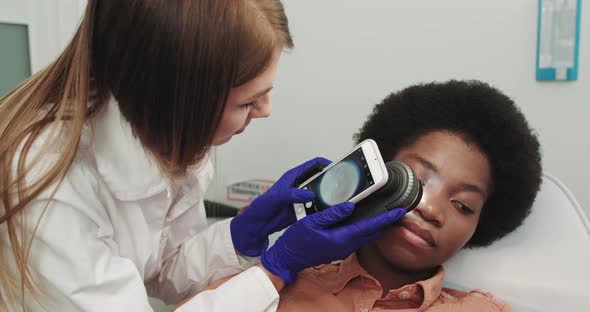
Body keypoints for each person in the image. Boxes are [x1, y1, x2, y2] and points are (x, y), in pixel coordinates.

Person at [0, 1, 405, 311]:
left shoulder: (170, 133)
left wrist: (241, 234)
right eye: (248, 102)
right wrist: (274, 269)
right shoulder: (51, 190)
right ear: (176, 101)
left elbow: (163, 269)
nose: (265, 111)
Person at [202, 80, 542, 311]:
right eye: (417, 181)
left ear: (480, 227)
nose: (432, 210)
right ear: (378, 175)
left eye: (462, 205)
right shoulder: (274, 285)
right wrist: (273, 266)